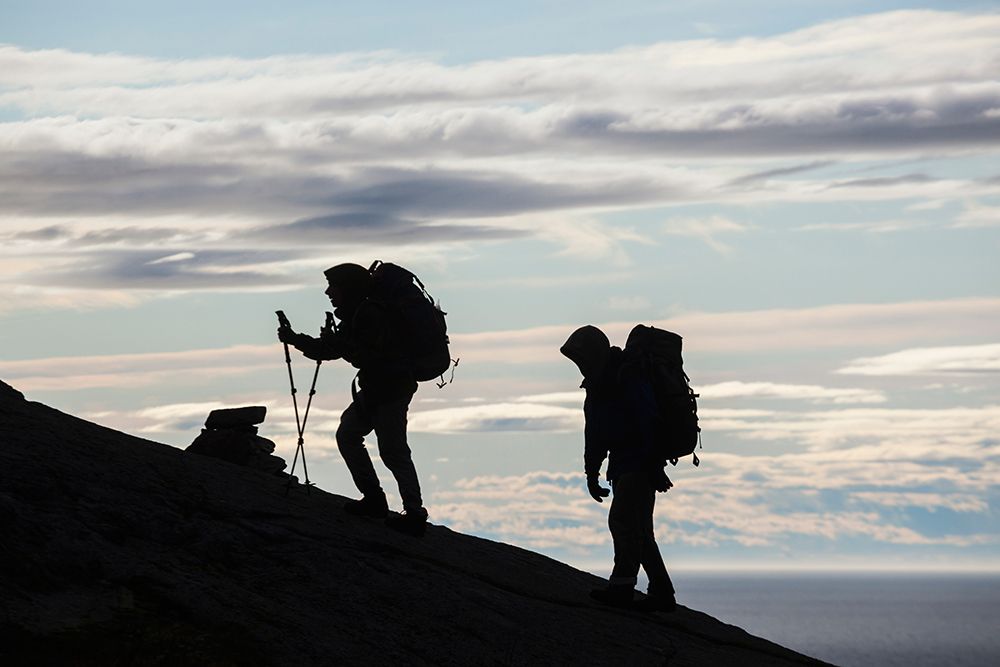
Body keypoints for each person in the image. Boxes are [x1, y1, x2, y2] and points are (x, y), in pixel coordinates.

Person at [278, 263, 428, 536]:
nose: (328, 291)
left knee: (392, 450)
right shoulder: (357, 313)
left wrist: (335, 344)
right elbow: (333, 350)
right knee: (349, 435)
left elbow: (363, 354)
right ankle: (375, 500)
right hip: (377, 388)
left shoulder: (370, 313)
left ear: (347, 287)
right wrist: (295, 339)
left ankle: (414, 512)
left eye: (333, 286)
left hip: (391, 388)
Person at [560, 325, 676, 612]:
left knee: (623, 523)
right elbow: (595, 434)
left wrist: (653, 465)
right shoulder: (599, 384)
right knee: (639, 530)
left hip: (639, 463)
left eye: (582, 358)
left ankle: (622, 587)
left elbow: (648, 420)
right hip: (624, 465)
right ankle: (662, 592)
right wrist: (591, 472)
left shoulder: (627, 376)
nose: (581, 365)